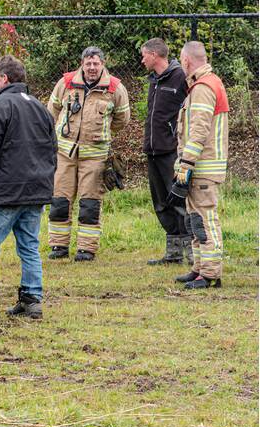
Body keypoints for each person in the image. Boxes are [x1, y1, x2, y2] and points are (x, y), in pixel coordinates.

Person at [0, 56, 57, 322]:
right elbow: (53, 150)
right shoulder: (40, 107)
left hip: (6, 191)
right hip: (36, 189)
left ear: (4, 78)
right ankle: (31, 300)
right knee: (29, 246)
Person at [46, 46, 131, 261]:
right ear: (82, 64)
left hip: (95, 157)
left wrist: (100, 132)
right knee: (59, 201)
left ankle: (86, 249)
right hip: (64, 154)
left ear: (103, 64)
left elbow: (122, 119)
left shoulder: (115, 88)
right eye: (88, 63)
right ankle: (58, 246)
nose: (92, 67)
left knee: (89, 204)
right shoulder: (65, 83)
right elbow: (52, 111)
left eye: (96, 63)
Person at [173, 41, 229, 290]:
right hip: (201, 165)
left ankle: (210, 273)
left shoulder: (204, 87)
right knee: (194, 219)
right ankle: (199, 268)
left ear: (186, 60)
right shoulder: (203, 84)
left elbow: (199, 129)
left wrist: (186, 161)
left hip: (203, 166)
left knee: (205, 220)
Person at [140, 38, 190, 265]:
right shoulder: (154, 80)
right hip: (153, 150)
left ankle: (191, 251)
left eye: (144, 55)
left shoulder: (180, 77)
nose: (142, 60)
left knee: (178, 199)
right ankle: (173, 252)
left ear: (154, 55)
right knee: (160, 201)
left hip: (171, 151)